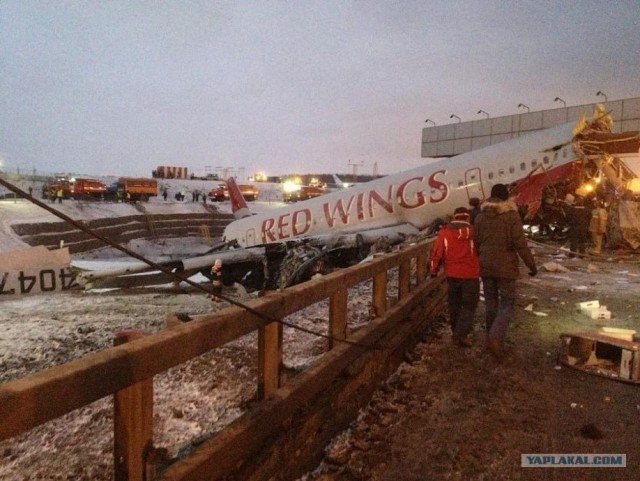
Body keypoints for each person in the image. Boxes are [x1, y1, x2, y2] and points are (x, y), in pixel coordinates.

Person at [474, 183, 537, 362]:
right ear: (505, 197)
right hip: (506, 267)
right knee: (507, 304)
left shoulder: (480, 217)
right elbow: (520, 244)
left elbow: (476, 242)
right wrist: (531, 265)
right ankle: (495, 336)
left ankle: (491, 337)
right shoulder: (511, 216)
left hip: (486, 266)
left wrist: (483, 256)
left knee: (491, 303)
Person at [429, 207, 480, 347]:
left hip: (452, 274)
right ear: (467, 218)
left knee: (454, 303)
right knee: (470, 304)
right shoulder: (475, 232)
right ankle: (461, 333)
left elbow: (436, 252)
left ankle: (455, 331)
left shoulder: (444, 233)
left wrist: (433, 270)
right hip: (471, 273)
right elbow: (481, 250)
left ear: (454, 217)